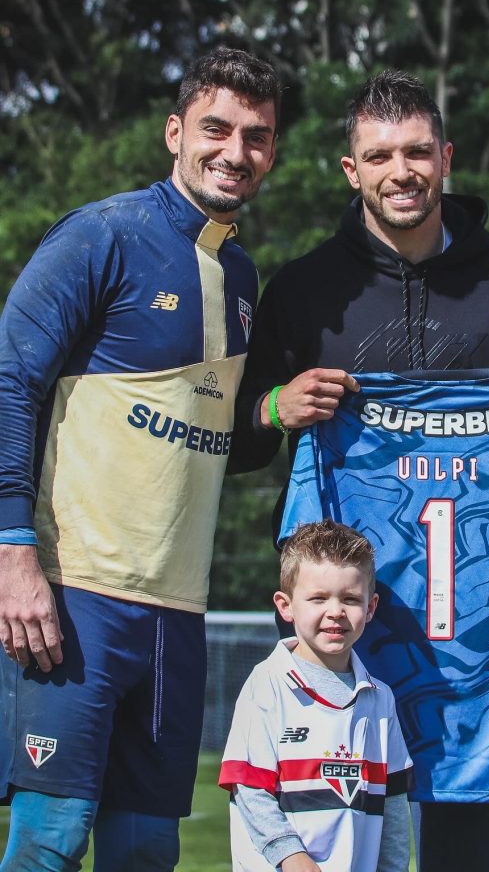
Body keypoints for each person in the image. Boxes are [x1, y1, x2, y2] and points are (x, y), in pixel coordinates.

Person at [228, 69, 489, 872]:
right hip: (337, 631)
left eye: (417, 152)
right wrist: (272, 408)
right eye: (380, 155)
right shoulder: (301, 290)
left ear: (446, 158)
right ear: (350, 169)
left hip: (478, 646)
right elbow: (236, 442)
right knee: (332, 854)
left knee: (463, 859)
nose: (400, 170)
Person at [0, 46, 281, 871]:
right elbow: (8, 380)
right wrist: (13, 549)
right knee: (49, 844)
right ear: (175, 132)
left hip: (176, 620)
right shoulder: (102, 235)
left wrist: (273, 408)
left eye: (257, 136)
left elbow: (218, 441)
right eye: (216, 129)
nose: (235, 151)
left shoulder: (241, 277)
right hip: (73, 600)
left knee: (146, 853)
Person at [219, 519, 413, 872]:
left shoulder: (380, 700)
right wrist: (292, 858)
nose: (335, 611)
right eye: (319, 598)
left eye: (350, 599)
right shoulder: (267, 684)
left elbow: (394, 806)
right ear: (286, 605)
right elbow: (250, 791)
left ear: (370, 608)